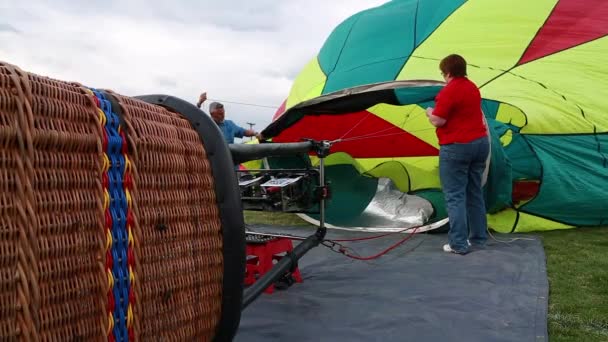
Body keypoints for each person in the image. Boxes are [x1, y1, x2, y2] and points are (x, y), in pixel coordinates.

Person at [425, 54, 490, 255]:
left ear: (448, 72)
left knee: (455, 196)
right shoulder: (472, 87)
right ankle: (478, 238)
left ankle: (458, 244)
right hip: (480, 144)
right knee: (474, 192)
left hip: (457, 147)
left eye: (443, 73)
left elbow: (438, 120)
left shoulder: (449, 91)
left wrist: (429, 112)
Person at [197, 92, 261, 144]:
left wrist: (255, 133)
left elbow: (244, 132)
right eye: (219, 114)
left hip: (228, 157)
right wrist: (199, 103)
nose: (222, 116)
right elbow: (194, 118)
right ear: (212, 113)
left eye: (223, 113)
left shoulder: (229, 124)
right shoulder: (206, 124)